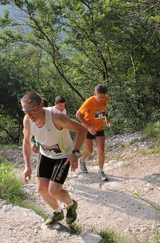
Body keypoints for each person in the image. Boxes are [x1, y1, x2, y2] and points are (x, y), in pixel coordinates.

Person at [21, 92, 87, 226]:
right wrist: (27, 166)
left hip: (63, 155)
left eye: (31, 110)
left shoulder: (57, 117)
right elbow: (27, 142)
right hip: (45, 154)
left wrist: (75, 153)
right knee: (41, 189)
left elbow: (82, 130)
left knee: (53, 191)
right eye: (25, 111)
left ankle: (71, 205)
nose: (29, 115)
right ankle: (57, 212)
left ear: (40, 106)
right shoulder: (28, 120)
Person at [76, 84, 112, 181]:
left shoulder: (106, 99)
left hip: (99, 128)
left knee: (101, 151)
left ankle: (100, 170)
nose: (102, 99)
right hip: (87, 129)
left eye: (103, 97)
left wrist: (107, 119)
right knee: (89, 151)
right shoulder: (88, 102)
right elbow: (78, 115)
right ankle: (82, 160)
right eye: (100, 97)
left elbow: (104, 109)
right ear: (95, 94)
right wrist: (89, 126)